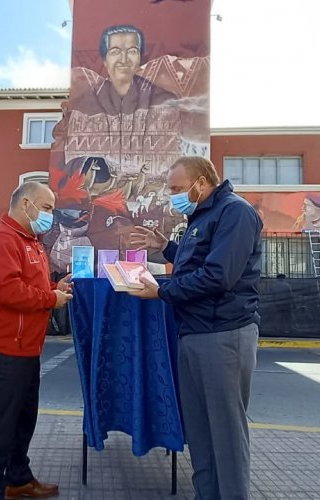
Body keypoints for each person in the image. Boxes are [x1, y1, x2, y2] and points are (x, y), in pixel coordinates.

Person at [130, 156, 262, 500]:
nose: (171, 196)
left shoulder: (236, 212)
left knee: (227, 433)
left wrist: (161, 291)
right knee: (201, 432)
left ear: (201, 183)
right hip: (195, 332)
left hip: (223, 334)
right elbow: (197, 263)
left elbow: (219, 275)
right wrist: (166, 248)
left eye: (176, 188)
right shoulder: (201, 217)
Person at [0, 181, 73, 500]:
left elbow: (31, 284)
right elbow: (7, 290)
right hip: (2, 350)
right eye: (46, 208)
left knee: (22, 421)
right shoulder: (2, 240)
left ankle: (18, 479)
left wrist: (56, 286)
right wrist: (49, 298)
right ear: (25, 203)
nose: (50, 215)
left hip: (26, 350)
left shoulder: (31, 241)